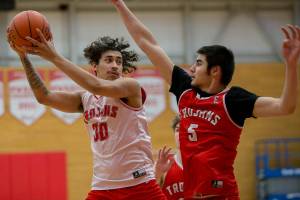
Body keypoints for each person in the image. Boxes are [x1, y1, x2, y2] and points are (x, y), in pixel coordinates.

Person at [111, 0, 300, 199]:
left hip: (222, 194)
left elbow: (284, 107)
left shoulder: (234, 100)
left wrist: (291, 65)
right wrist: (119, 4)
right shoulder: (185, 89)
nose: (192, 68)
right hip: (192, 194)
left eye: (199, 63)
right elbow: (148, 43)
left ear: (215, 71)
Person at [10, 34, 167, 200]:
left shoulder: (130, 87)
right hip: (103, 186)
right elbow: (44, 97)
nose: (115, 65)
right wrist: (23, 58)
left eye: (119, 62)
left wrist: (54, 57)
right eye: (109, 60)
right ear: (94, 66)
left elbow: (96, 86)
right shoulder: (85, 99)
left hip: (139, 184)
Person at [155, 115, 184, 200]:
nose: (180, 134)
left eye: (184, 130)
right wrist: (156, 174)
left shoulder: (202, 165)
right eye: (178, 130)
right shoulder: (165, 165)